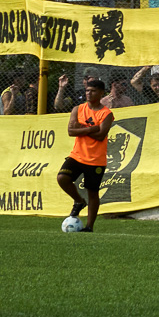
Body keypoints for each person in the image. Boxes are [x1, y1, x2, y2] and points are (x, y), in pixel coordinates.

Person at [56, 77, 114, 233]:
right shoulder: (78, 109)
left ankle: (89, 226)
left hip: (96, 160)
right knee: (62, 178)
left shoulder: (106, 113)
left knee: (93, 192)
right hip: (77, 155)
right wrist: (91, 128)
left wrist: (82, 128)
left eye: (93, 90)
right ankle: (78, 201)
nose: (89, 93)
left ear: (102, 93)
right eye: (87, 90)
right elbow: (70, 131)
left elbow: (101, 135)